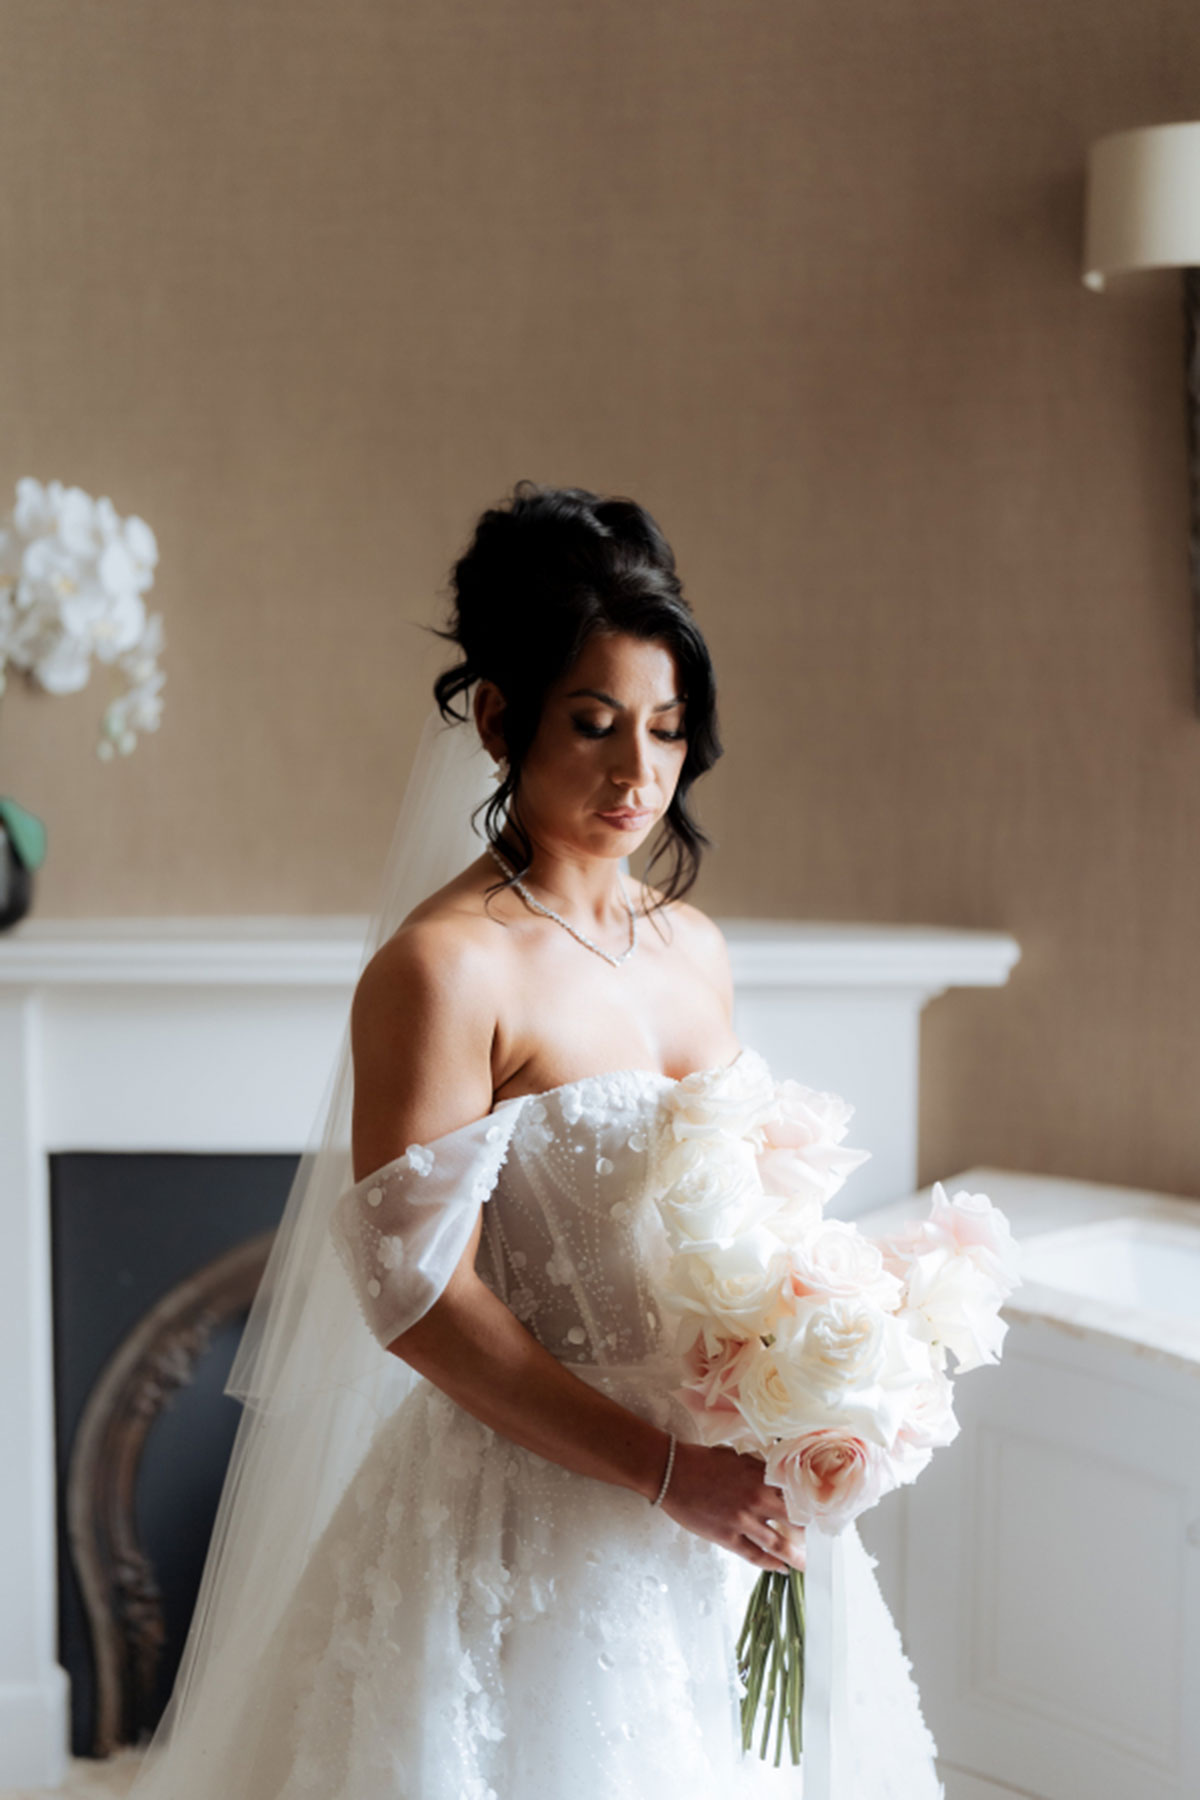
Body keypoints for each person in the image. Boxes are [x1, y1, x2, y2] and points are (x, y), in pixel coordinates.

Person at [126, 481, 943, 1800]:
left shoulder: (693, 947)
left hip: (727, 1512)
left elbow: (739, 1221)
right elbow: (412, 1299)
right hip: (534, 1525)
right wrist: (668, 1472)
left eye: (668, 732)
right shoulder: (444, 971)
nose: (638, 774)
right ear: (500, 721)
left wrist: (813, 1379)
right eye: (596, 725)